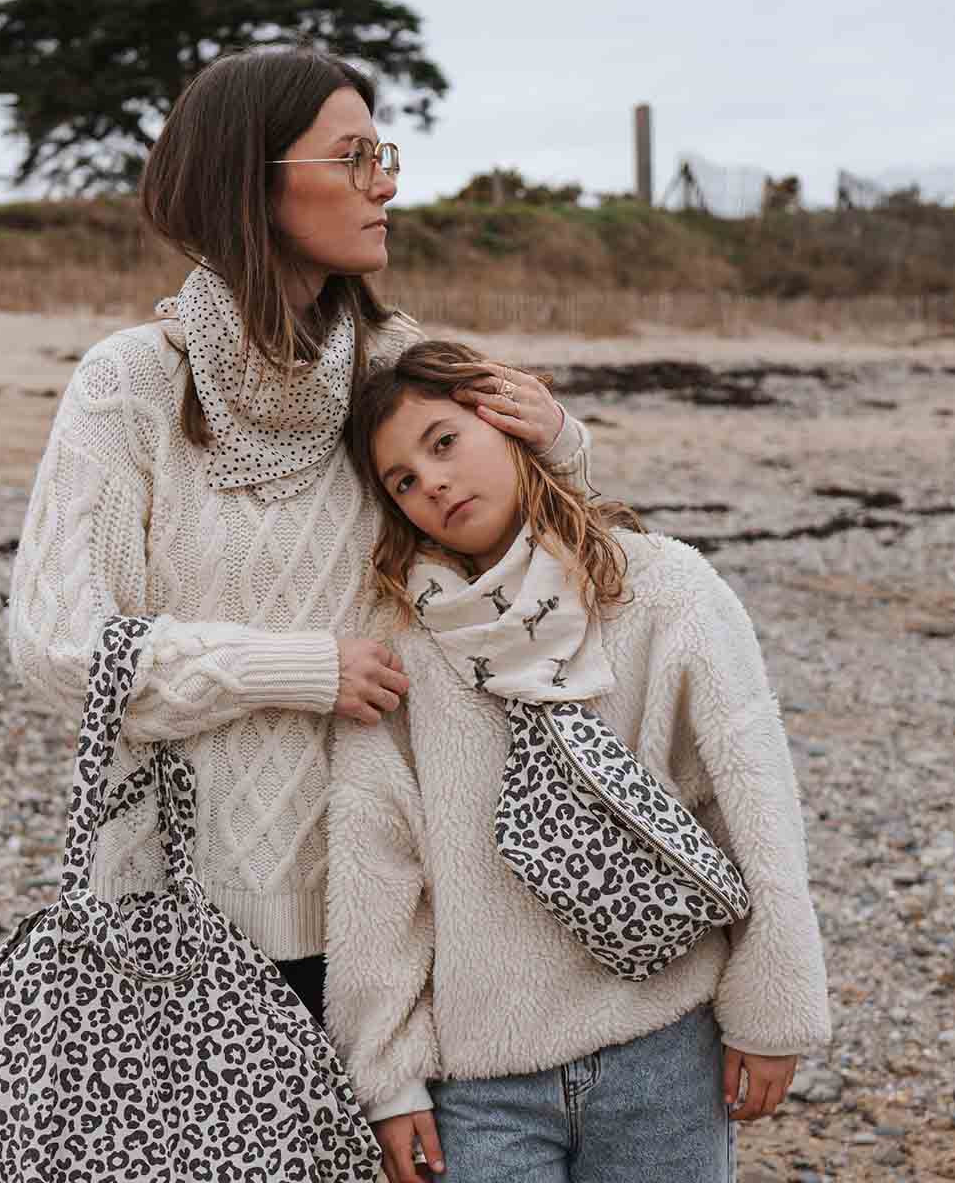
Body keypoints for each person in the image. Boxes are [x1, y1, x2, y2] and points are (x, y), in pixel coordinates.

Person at [6, 47, 592, 1025]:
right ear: (252, 180)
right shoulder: (129, 384)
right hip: (179, 917)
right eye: (353, 157)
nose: (386, 184)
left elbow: (550, 569)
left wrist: (560, 447)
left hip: (404, 901)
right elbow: (59, 647)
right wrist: (297, 668)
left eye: (382, 155)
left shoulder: (401, 369)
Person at [325, 339, 832, 1183]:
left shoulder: (664, 589)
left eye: (445, 443)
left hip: (665, 1044)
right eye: (403, 481)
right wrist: (387, 1076)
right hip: (481, 1079)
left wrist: (773, 1008)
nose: (433, 483)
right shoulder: (400, 643)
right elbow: (375, 860)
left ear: (510, 425)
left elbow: (752, 798)